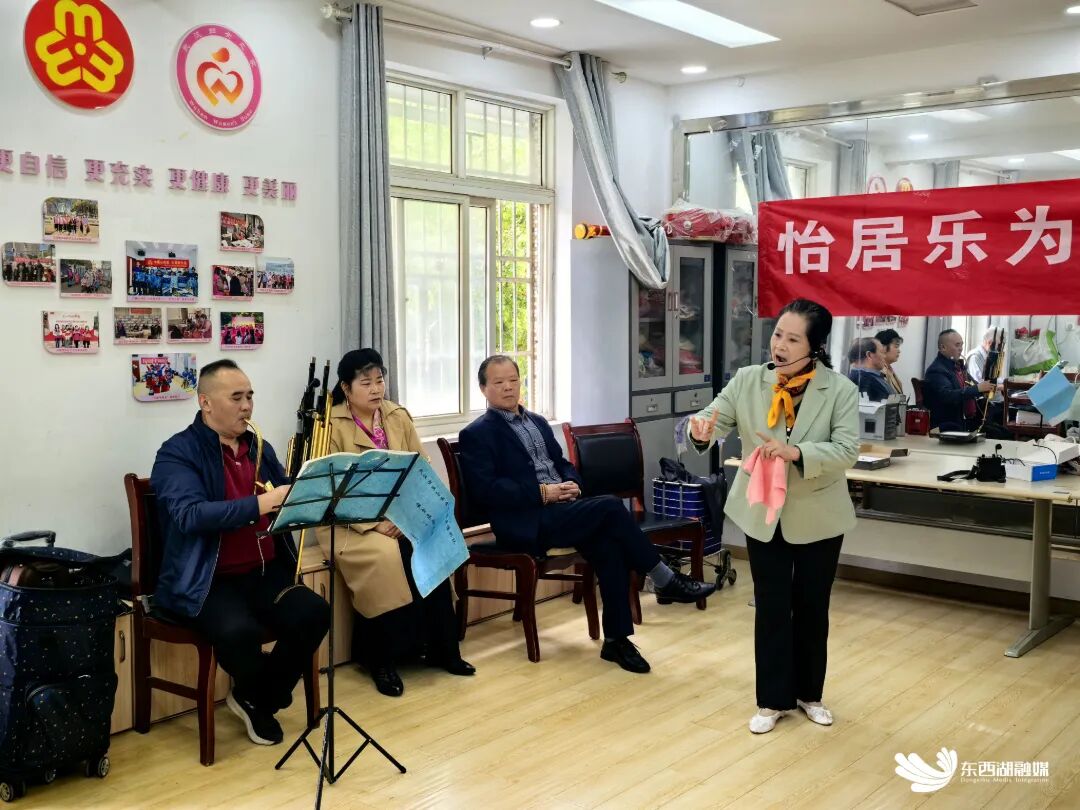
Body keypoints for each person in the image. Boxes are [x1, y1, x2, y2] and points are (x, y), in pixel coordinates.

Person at [458, 355, 716, 675]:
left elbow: (562, 464)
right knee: (610, 507)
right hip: (526, 522)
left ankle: (617, 641)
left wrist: (573, 486)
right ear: (484, 389)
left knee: (608, 542)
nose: (508, 387)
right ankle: (664, 578)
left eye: (513, 379)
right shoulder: (478, 433)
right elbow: (487, 491)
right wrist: (543, 493)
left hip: (562, 511)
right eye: (498, 382)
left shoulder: (537, 422)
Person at [687, 298, 859, 735]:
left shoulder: (840, 390)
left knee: (812, 606)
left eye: (793, 339)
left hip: (819, 512)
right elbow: (712, 419)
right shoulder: (748, 380)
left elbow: (846, 451)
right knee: (771, 606)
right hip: (763, 509)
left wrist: (796, 452)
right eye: (778, 334)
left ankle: (810, 694)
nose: (779, 346)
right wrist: (699, 429)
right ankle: (772, 700)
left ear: (815, 347)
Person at [151, 359, 330, 746]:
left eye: (250, 396)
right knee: (239, 632)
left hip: (264, 570)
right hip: (207, 580)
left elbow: (284, 495)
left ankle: (257, 696)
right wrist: (262, 504)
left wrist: (309, 491)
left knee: (314, 612)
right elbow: (190, 515)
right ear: (205, 403)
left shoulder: (258, 448)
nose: (247, 406)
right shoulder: (177, 453)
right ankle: (264, 695)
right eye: (236, 398)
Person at [315, 349, 474, 697]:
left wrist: (409, 515)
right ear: (346, 388)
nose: (376, 389)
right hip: (348, 524)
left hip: (401, 514)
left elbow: (420, 468)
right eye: (366, 382)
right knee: (386, 558)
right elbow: (331, 489)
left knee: (428, 542)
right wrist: (375, 524)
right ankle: (381, 660)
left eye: (380, 380)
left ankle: (442, 648)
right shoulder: (331, 425)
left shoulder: (396, 416)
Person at [923, 329, 996, 431]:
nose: (961, 349)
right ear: (943, 348)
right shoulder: (936, 370)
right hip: (948, 425)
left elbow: (974, 385)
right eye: (957, 345)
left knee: (1000, 428)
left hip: (966, 421)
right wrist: (978, 388)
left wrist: (986, 387)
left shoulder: (958, 367)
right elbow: (947, 396)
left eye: (961, 345)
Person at [846, 337, 892, 402]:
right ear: (869, 355)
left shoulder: (869, 378)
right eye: (882, 352)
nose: (885, 356)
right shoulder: (864, 381)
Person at [875, 328, 905, 397]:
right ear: (883, 348)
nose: (899, 351)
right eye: (896, 346)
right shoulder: (879, 372)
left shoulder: (889, 369)